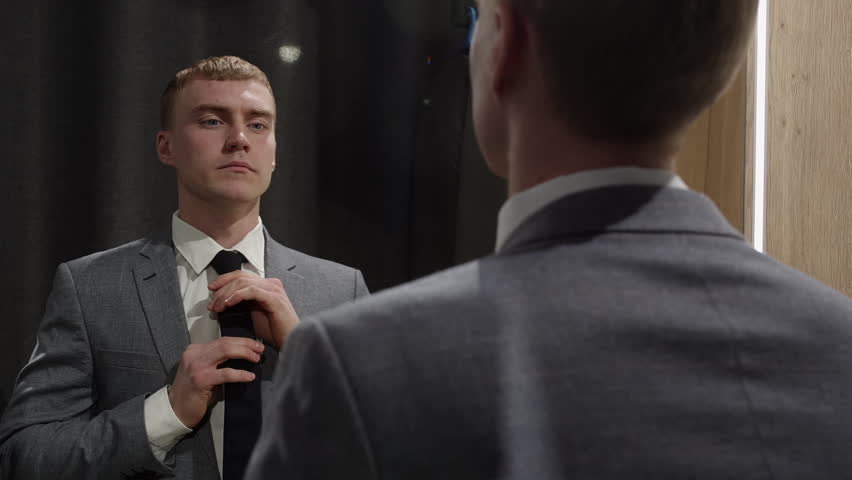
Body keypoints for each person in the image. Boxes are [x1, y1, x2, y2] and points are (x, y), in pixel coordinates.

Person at [246, 1, 852, 479]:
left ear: (504, 45)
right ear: (717, 72)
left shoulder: (358, 371)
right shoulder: (839, 350)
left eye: (478, 20)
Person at [0, 56, 368, 480]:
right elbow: (24, 458)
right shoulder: (90, 287)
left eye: (258, 124)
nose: (239, 140)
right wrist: (167, 411)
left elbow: (396, 447)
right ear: (166, 146)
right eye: (213, 121)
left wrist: (307, 353)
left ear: (274, 153)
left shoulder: (343, 290)